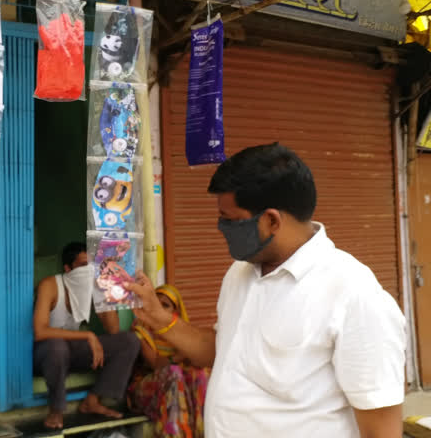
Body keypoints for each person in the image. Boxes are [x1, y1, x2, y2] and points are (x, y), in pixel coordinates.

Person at [125, 143, 406, 438]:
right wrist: (158, 318)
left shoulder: (354, 295)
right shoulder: (241, 272)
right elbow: (225, 349)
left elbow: (381, 429)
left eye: (230, 220)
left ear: (271, 220)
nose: (220, 227)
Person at [33, 242, 141, 429]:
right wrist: (88, 336)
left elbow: (114, 330)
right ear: (68, 269)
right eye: (83, 266)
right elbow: (40, 331)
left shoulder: (90, 287)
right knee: (57, 345)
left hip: (72, 351)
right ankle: (56, 410)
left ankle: (92, 400)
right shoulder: (50, 285)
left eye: (92, 266)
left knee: (128, 341)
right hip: (45, 354)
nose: (88, 271)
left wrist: (102, 292)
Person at [128, 284, 210, 438]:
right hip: (144, 389)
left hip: (178, 389)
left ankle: (204, 432)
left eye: (165, 306)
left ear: (176, 312)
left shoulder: (183, 333)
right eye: (156, 305)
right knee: (174, 373)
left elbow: (199, 360)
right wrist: (180, 355)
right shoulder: (141, 329)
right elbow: (155, 364)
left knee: (200, 374)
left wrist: (189, 351)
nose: (159, 310)